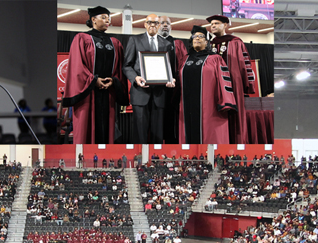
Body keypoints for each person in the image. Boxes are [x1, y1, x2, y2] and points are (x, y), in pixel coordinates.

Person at [63, 6, 128, 143]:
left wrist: (113, 81)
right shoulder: (81, 38)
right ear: (93, 19)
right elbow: (77, 67)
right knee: (86, 131)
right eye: (104, 17)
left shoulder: (115, 43)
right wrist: (94, 80)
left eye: (109, 19)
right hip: (88, 94)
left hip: (107, 94)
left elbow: (119, 68)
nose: (107, 21)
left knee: (106, 129)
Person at [176, 26, 236, 144]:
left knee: (209, 136)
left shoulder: (215, 59)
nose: (197, 39)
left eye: (201, 36)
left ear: (207, 41)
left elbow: (224, 82)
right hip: (186, 106)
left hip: (209, 107)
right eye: (194, 36)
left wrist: (225, 102)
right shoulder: (184, 59)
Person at [123, 14, 176, 144]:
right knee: (139, 133)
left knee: (157, 134)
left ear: (159, 25)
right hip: (140, 93)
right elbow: (126, 66)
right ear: (145, 24)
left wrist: (171, 79)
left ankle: (155, 161)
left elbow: (170, 68)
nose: (153, 25)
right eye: (150, 22)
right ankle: (139, 160)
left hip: (159, 94)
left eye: (156, 23)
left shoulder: (167, 44)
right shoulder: (134, 40)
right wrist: (135, 78)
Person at [205, 15, 257, 144]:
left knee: (234, 115)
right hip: (213, 86)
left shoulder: (235, 42)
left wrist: (248, 85)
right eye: (212, 24)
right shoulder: (208, 45)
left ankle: (235, 140)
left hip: (232, 84)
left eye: (216, 23)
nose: (213, 26)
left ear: (225, 25)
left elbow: (245, 64)